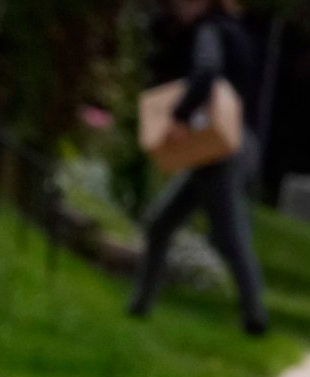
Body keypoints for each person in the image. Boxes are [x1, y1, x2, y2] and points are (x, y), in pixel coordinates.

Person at [128, 0, 268, 335]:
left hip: (217, 147)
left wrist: (179, 116)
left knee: (229, 237)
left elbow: (206, 72)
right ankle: (139, 306)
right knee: (161, 223)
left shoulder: (210, 31)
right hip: (235, 140)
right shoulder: (236, 31)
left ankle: (255, 316)